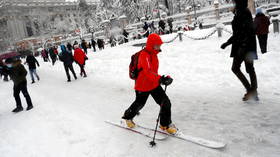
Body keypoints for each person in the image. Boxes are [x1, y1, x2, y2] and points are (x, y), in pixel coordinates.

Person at [122, 33, 177, 134]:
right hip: (142, 85)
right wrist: (160, 79)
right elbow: (147, 71)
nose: (159, 47)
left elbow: (153, 71)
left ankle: (165, 124)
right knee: (139, 104)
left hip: (153, 84)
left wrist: (162, 78)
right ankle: (127, 118)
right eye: (157, 45)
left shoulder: (154, 54)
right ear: (151, 44)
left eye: (159, 45)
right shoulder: (144, 55)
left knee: (166, 103)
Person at [221, 0, 258, 101]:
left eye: (234, 3)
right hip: (245, 45)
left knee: (236, 68)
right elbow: (238, 33)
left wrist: (243, 45)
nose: (232, 5)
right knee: (249, 69)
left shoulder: (244, 13)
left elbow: (248, 31)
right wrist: (227, 43)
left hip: (244, 46)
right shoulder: (241, 12)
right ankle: (252, 91)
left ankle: (251, 90)